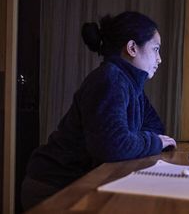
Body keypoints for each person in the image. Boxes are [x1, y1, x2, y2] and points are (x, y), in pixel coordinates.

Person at [21, 11, 177, 210]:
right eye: (155, 49)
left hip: (79, 183)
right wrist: (151, 142)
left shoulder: (131, 84)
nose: (160, 59)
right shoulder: (110, 79)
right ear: (132, 48)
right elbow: (112, 145)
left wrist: (135, 139)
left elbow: (155, 126)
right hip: (54, 186)